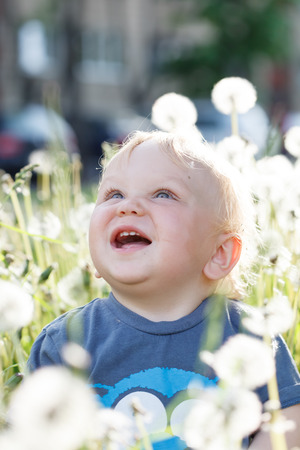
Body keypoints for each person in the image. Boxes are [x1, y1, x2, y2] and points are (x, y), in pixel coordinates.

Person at [28, 130, 300, 449]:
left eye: (163, 194)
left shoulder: (249, 336)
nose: (128, 206)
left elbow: (288, 420)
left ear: (219, 253)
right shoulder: (68, 339)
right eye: (114, 194)